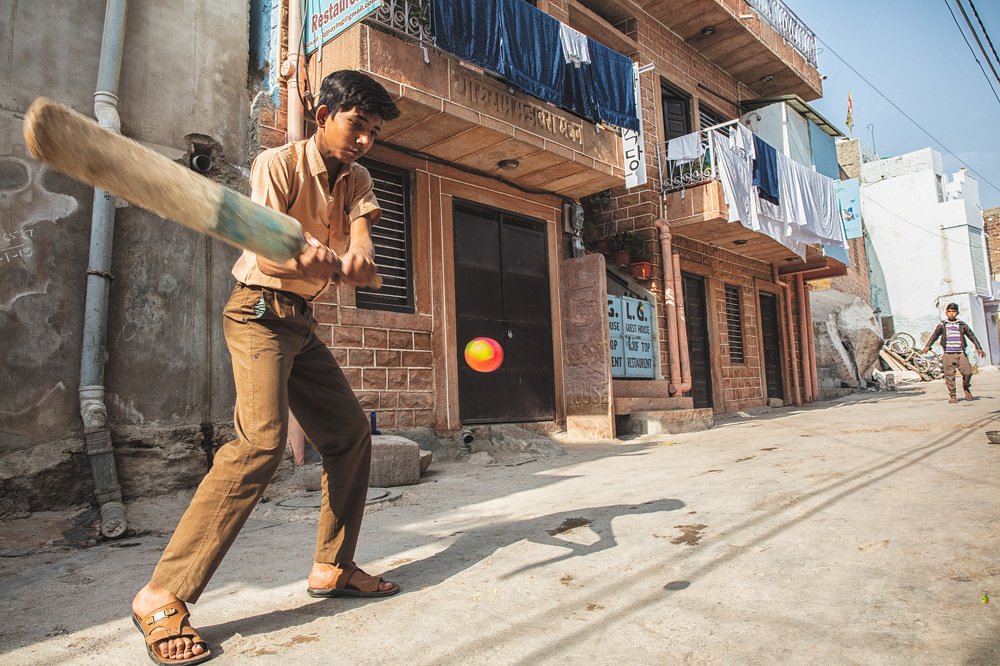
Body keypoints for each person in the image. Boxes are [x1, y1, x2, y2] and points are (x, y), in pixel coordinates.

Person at [131, 70, 401, 665]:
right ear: (325, 112)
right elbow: (264, 256)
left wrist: (351, 259)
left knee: (350, 434)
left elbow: (362, 242)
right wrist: (307, 255)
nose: (363, 141)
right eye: (356, 125)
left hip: (299, 322)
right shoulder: (276, 165)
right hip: (256, 311)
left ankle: (333, 566)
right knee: (260, 445)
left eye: (373, 133)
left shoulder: (358, 178)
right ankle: (161, 594)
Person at [920, 302, 986, 403]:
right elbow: (934, 336)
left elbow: (971, 336)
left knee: (967, 373)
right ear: (946, 313)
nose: (951, 313)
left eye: (954, 311)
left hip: (961, 353)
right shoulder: (942, 325)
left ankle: (966, 387)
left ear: (957, 313)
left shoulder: (961, 324)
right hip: (948, 354)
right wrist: (928, 346)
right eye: (949, 311)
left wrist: (979, 348)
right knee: (949, 375)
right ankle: (953, 395)